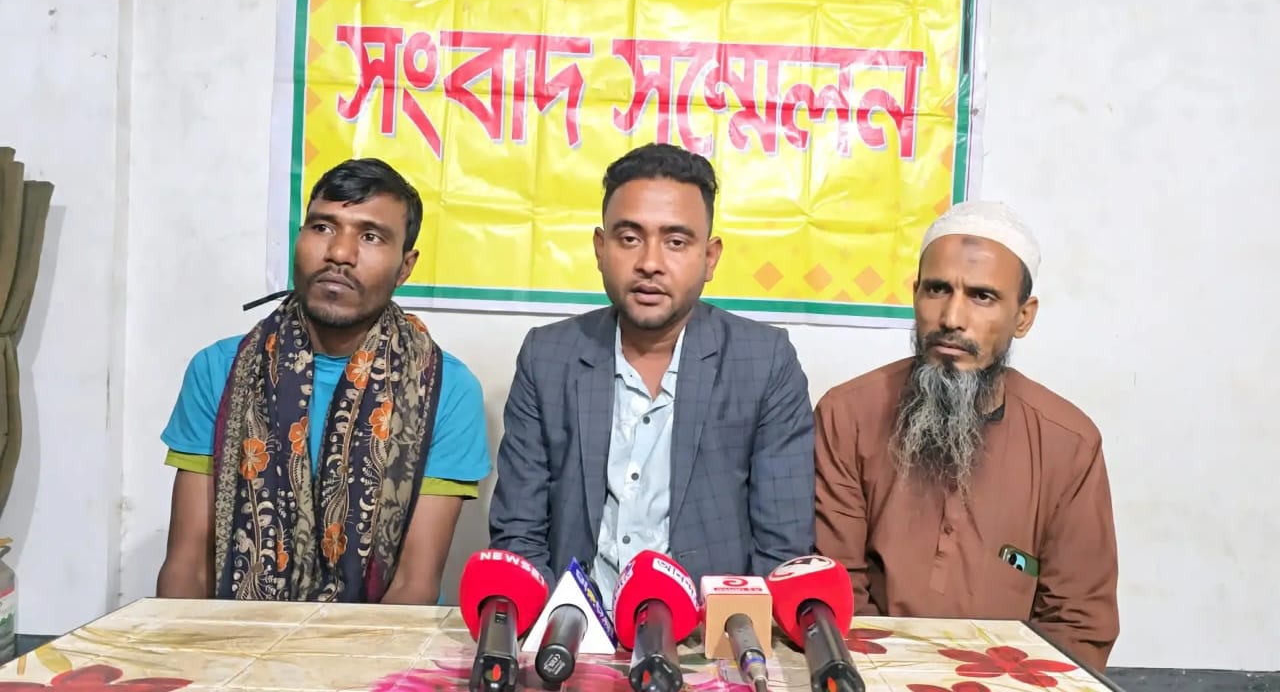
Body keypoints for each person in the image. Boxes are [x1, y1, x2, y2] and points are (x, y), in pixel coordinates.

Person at [488, 143, 815, 602]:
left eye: (676, 242)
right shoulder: (547, 357)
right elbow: (518, 534)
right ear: (600, 248)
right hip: (573, 626)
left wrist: (729, 634)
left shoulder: (764, 361)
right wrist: (556, 625)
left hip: (707, 632)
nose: (650, 263)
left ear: (710, 257)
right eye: (629, 238)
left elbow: (782, 550)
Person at [156, 158, 490, 604]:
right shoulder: (220, 370)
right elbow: (188, 564)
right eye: (323, 227)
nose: (340, 253)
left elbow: (415, 583)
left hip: (378, 642)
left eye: (370, 236)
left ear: (405, 267)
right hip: (234, 636)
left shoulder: (445, 389)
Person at [813, 200, 1119, 670]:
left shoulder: (1069, 444)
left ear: (1023, 316)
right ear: (915, 295)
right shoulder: (847, 415)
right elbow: (836, 590)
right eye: (937, 289)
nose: (952, 317)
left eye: (982, 297)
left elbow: (1078, 623)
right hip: (873, 674)